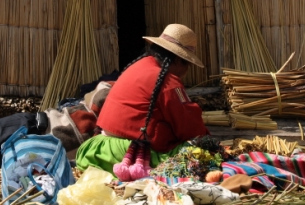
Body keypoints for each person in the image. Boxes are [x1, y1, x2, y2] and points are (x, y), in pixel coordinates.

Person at [76, 23, 208, 175]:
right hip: (132, 155)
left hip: (98, 151)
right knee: (202, 153)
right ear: (178, 60)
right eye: (188, 64)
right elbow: (191, 129)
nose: (186, 71)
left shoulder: (137, 66)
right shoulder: (168, 82)